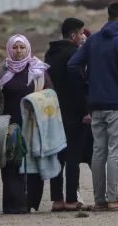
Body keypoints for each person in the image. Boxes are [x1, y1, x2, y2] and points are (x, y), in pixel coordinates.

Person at [68, 0, 118, 212]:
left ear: (108, 17)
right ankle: (115, 198)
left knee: (99, 152)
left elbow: (73, 64)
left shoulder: (93, 40)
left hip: (96, 105)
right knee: (116, 151)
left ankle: (100, 200)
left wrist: (88, 84)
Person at [0, 34, 52, 214]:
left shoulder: (38, 69)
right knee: (11, 163)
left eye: (21, 47)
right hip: (9, 125)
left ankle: (30, 202)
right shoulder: (2, 69)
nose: (18, 51)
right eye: (15, 47)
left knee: (33, 163)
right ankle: (13, 205)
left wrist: (36, 101)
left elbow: (50, 94)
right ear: (9, 49)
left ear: (27, 48)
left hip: (33, 124)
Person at [45, 17, 91, 212]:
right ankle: (72, 199)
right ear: (73, 35)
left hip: (53, 111)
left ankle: (57, 200)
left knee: (58, 156)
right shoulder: (74, 54)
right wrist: (86, 110)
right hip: (74, 112)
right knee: (73, 157)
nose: (82, 37)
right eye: (81, 33)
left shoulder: (50, 53)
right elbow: (78, 85)